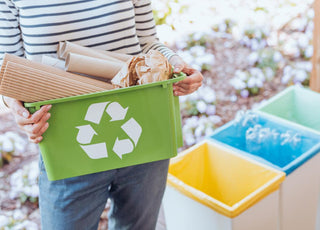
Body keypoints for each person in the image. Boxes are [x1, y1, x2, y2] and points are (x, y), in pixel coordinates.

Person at [0, 0, 203, 229]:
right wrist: (18, 110)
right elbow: (7, 65)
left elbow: (147, 42)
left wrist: (176, 65)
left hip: (143, 129)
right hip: (65, 142)